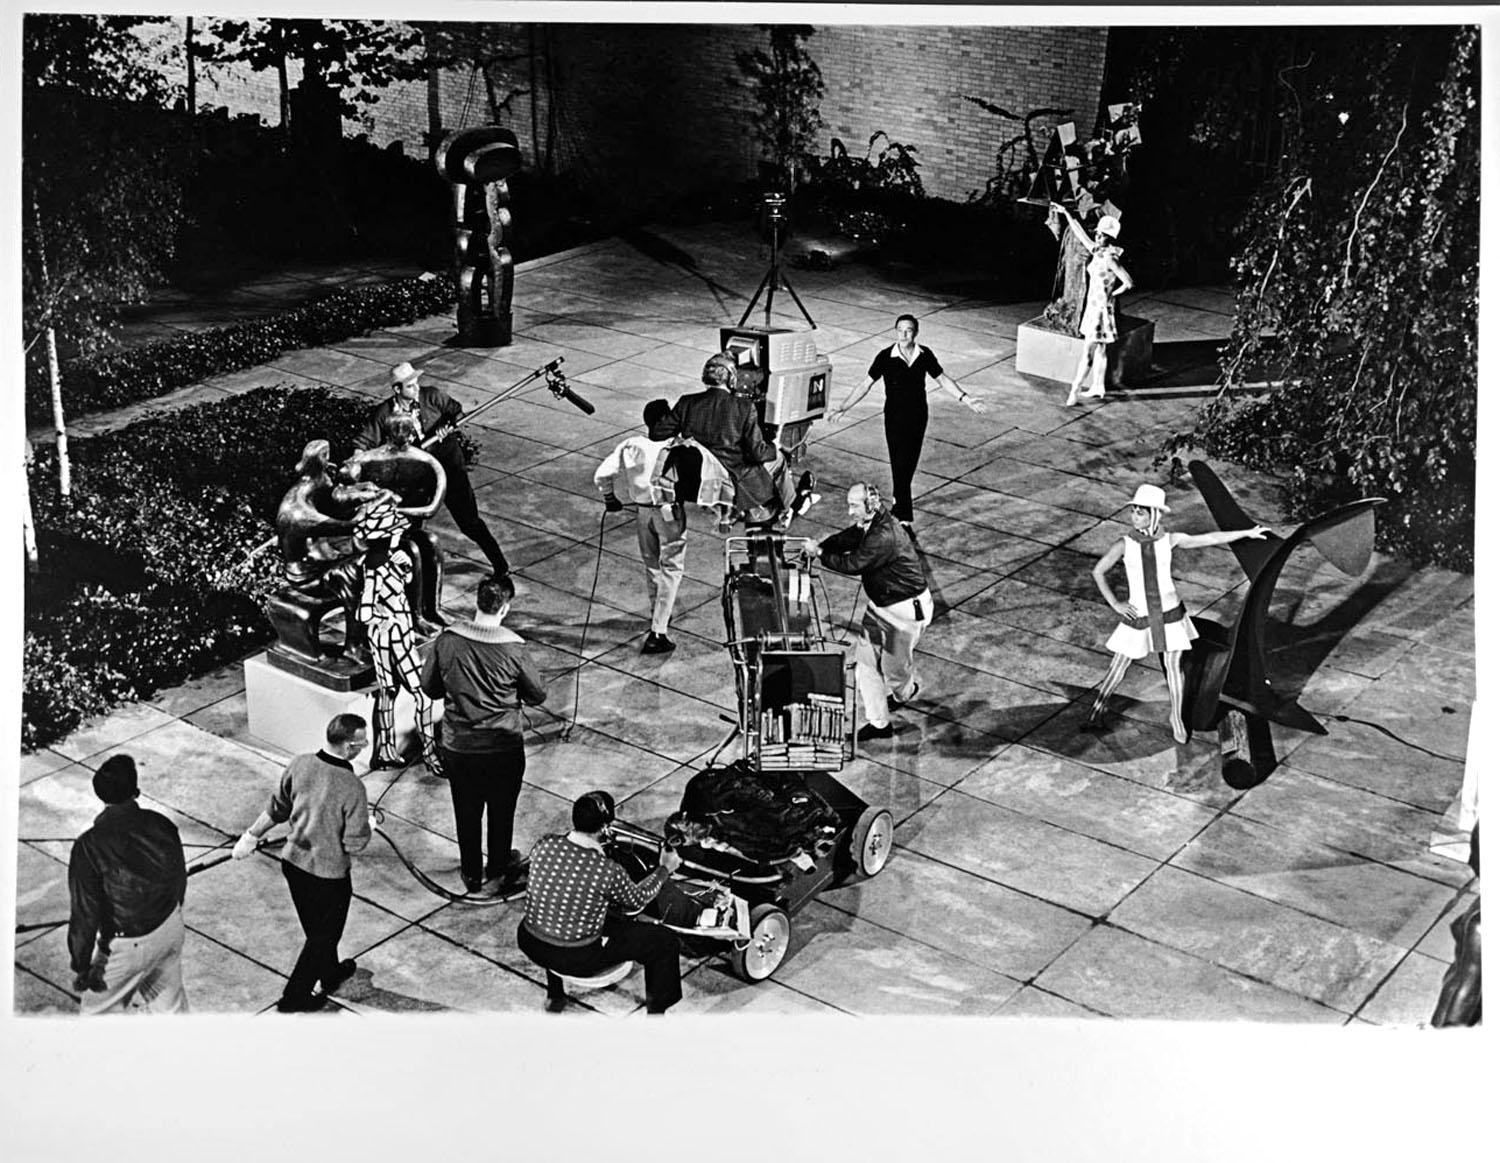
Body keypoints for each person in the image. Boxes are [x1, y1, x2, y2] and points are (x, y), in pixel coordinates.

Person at [1087, 484, 1270, 744]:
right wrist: (1115, 604)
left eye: (1141, 512)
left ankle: (1177, 719)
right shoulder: (1124, 544)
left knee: (1174, 668)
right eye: (1134, 512)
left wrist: (1247, 533)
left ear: (1154, 514)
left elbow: (1208, 538)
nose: (1135, 516)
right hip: (1139, 614)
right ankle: (1097, 712)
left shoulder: (1170, 539)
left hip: (1169, 613)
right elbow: (1098, 571)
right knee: (1119, 665)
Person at [233, 713, 373, 1013]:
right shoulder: (352, 786)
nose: (365, 747)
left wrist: (250, 836)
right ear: (350, 747)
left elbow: (277, 808)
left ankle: (330, 973)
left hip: (294, 865)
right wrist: (368, 825)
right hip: (329, 874)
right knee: (325, 935)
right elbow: (355, 843)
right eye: (363, 742)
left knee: (316, 930)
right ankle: (294, 996)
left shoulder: (300, 764)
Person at [420, 572, 547, 896]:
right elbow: (537, 694)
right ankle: (500, 866)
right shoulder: (513, 648)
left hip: (460, 746)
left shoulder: (447, 640)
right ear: (505, 608)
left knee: (466, 809)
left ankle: (471, 872)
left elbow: (430, 687)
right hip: (503, 745)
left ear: (477, 601)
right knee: (502, 811)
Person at [517, 791, 685, 1014]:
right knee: (664, 941)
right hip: (579, 956)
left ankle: (555, 995)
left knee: (557, 911)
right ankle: (657, 1012)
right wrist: (665, 869)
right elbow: (637, 902)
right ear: (606, 827)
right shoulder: (607, 870)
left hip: (531, 942)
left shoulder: (543, 845)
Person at [826, 314, 987, 533]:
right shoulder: (885, 357)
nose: (903, 334)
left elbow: (942, 379)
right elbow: (865, 385)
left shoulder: (924, 355)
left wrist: (966, 399)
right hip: (894, 416)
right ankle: (903, 515)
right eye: (900, 329)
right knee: (898, 462)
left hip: (918, 415)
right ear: (895, 331)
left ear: (915, 333)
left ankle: (898, 504)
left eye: (908, 330)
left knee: (909, 463)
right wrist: (844, 407)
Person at [355, 360, 510, 577]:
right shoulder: (384, 414)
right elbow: (362, 443)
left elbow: (456, 411)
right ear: (397, 389)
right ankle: (406, 573)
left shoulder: (432, 396)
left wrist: (447, 426)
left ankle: (501, 565)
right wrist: (356, 463)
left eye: (417, 383)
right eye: (410, 386)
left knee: (469, 522)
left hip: (449, 468)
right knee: (409, 528)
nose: (416, 388)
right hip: (416, 478)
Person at [805, 482, 931, 742]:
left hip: (903, 612)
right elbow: (848, 538)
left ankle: (904, 692)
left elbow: (855, 563)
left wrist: (819, 553)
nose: (850, 511)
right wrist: (826, 546)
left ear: (870, 506)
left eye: (854, 506)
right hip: (882, 609)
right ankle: (879, 723)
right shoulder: (870, 525)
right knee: (865, 666)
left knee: (893, 668)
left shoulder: (883, 535)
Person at [67, 754, 189, 1015]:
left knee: (96, 1019)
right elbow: (179, 877)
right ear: (136, 791)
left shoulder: (88, 846)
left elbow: (85, 913)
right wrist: (173, 913)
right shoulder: (163, 824)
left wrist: (81, 965)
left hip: (126, 945)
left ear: (99, 793)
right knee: (171, 1010)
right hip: (169, 926)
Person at [659, 353, 814, 529]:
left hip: (698, 476)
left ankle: (732, 510)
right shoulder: (744, 407)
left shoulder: (687, 402)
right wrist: (774, 446)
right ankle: (790, 508)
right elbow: (757, 452)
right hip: (734, 473)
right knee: (778, 459)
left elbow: (659, 433)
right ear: (732, 379)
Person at [594, 399, 692, 655]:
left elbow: (602, 474)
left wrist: (609, 498)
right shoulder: (677, 446)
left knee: (652, 566)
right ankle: (658, 632)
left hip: (643, 514)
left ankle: (659, 613)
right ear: (661, 421)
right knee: (671, 568)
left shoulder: (631, 445)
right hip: (669, 513)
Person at [353, 495, 439, 772]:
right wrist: (384, 617)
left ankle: (388, 750)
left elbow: (401, 587)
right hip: (392, 637)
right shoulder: (374, 570)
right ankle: (429, 753)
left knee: (389, 693)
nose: (399, 533)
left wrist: (405, 570)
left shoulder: (387, 560)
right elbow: (363, 612)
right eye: (395, 530)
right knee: (417, 693)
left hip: (393, 636)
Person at [1052, 205, 1135, 406]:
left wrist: (1111, 295)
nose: (1098, 237)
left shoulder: (1110, 258)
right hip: (1093, 308)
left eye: (1102, 235)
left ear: (1110, 238)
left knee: (1088, 352)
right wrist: (1066, 214)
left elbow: (1129, 282)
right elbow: (1080, 234)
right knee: (1100, 350)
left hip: (1100, 311)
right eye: (1097, 234)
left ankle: (1075, 390)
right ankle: (1098, 386)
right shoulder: (1097, 251)